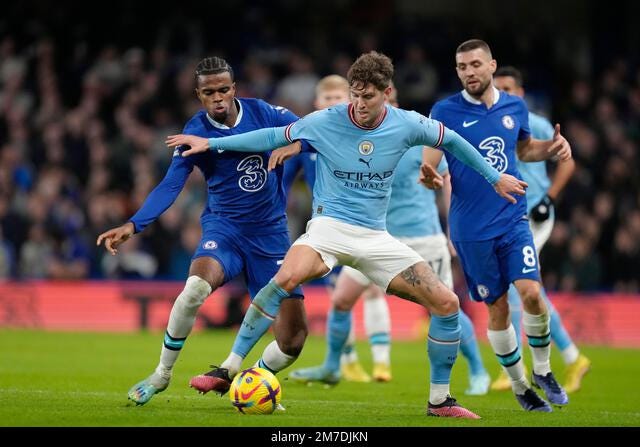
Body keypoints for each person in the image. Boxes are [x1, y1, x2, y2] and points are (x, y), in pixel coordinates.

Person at [167, 51, 528, 418]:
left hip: (375, 237)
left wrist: (494, 177)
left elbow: (452, 142)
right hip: (328, 229)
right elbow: (271, 135)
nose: (358, 103)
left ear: (386, 93)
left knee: (448, 304)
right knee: (285, 278)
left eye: (367, 96)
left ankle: (440, 401)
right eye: (354, 94)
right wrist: (212, 144)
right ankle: (228, 368)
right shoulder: (327, 120)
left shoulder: (407, 124)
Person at [96, 56, 309, 406]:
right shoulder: (195, 131)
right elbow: (170, 185)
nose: (219, 98)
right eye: (209, 92)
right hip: (224, 230)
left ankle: (243, 379)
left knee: (293, 341)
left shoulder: (266, 112)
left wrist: (295, 144)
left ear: (234, 88)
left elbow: (314, 133)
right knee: (195, 287)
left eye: (224, 89)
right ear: (199, 95)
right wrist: (133, 224)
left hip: (270, 236)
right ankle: (162, 374)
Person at [288, 86, 491, 395]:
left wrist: (452, 228)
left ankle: (478, 371)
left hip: (422, 236)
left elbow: (446, 178)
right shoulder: (362, 139)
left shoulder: (417, 137)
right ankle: (332, 366)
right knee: (342, 299)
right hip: (375, 237)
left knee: (443, 306)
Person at [423, 39, 572, 412]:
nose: (469, 72)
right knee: (498, 306)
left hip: (512, 217)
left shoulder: (515, 107)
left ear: (492, 65)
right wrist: (429, 175)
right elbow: (430, 161)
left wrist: (550, 148)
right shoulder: (445, 110)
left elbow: (523, 150)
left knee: (533, 293)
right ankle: (520, 385)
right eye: (461, 67)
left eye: (475, 64)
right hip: (471, 228)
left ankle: (543, 370)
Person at [284, 74, 391, 383]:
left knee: (370, 291)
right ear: (317, 103)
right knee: (341, 297)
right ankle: (348, 361)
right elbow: (287, 175)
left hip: (363, 222)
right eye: (326, 99)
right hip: (327, 227)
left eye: (337, 98)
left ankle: (380, 363)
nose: (332, 103)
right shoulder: (310, 138)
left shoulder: (363, 134)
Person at [492, 66, 591, 393]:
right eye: (499, 88)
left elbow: (568, 160)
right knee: (525, 288)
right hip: (509, 215)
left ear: (520, 92)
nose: (503, 93)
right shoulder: (493, 124)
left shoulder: (534, 123)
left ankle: (532, 364)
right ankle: (571, 358)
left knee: (521, 284)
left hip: (534, 214)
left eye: (509, 88)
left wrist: (549, 198)